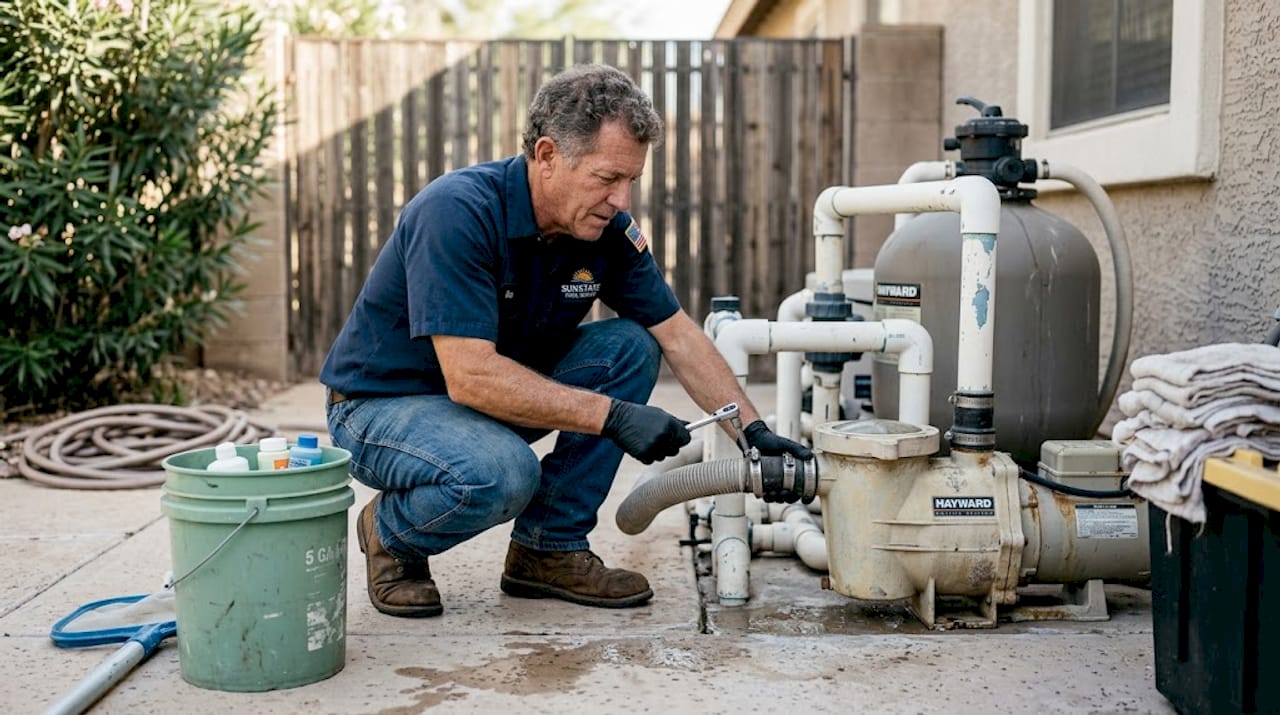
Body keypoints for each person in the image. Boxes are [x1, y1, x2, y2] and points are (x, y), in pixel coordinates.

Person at [320, 63, 811, 618]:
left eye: (631, 181)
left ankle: (546, 550)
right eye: (607, 179)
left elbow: (677, 335)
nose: (621, 199)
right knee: (503, 473)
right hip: (382, 408)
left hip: (481, 400)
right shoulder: (457, 213)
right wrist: (613, 416)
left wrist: (752, 430)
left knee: (630, 345)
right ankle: (391, 533)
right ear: (548, 156)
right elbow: (470, 375)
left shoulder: (605, 230)